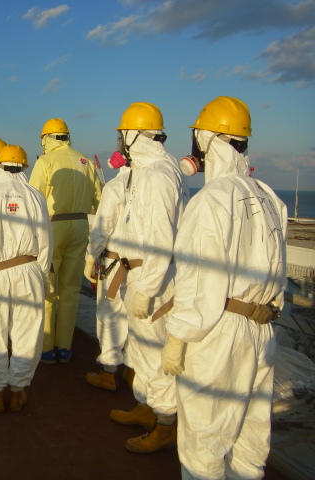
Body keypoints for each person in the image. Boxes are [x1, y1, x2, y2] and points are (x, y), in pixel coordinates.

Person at [162, 96, 286, 479]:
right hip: (263, 329)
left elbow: (200, 281)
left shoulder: (211, 200)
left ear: (208, 138)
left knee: (204, 446)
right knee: (250, 441)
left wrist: (178, 336)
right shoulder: (269, 196)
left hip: (219, 332)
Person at [101, 102, 186, 453]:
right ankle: (144, 407)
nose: (120, 140)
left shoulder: (157, 176)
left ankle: (165, 423)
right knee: (139, 348)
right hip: (137, 274)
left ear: (135, 135)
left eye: (123, 134)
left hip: (153, 280)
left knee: (153, 352)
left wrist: (147, 290)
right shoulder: (145, 170)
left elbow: (160, 239)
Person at [0, 145, 53, 413]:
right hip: (29, 271)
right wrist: (44, 275)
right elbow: (46, 241)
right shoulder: (36, 197)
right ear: (24, 168)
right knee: (27, 335)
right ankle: (18, 391)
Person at [29, 118, 102, 364]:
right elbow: (99, 200)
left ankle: (47, 348)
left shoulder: (45, 161)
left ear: (46, 138)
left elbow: (33, 199)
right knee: (70, 290)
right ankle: (65, 348)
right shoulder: (86, 161)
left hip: (53, 226)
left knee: (47, 288)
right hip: (80, 225)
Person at [83, 165, 132, 391]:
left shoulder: (115, 186)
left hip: (114, 265)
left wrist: (90, 258)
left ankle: (109, 373)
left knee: (110, 317)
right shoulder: (159, 183)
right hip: (146, 267)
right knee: (138, 321)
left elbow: (101, 228)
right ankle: (133, 371)